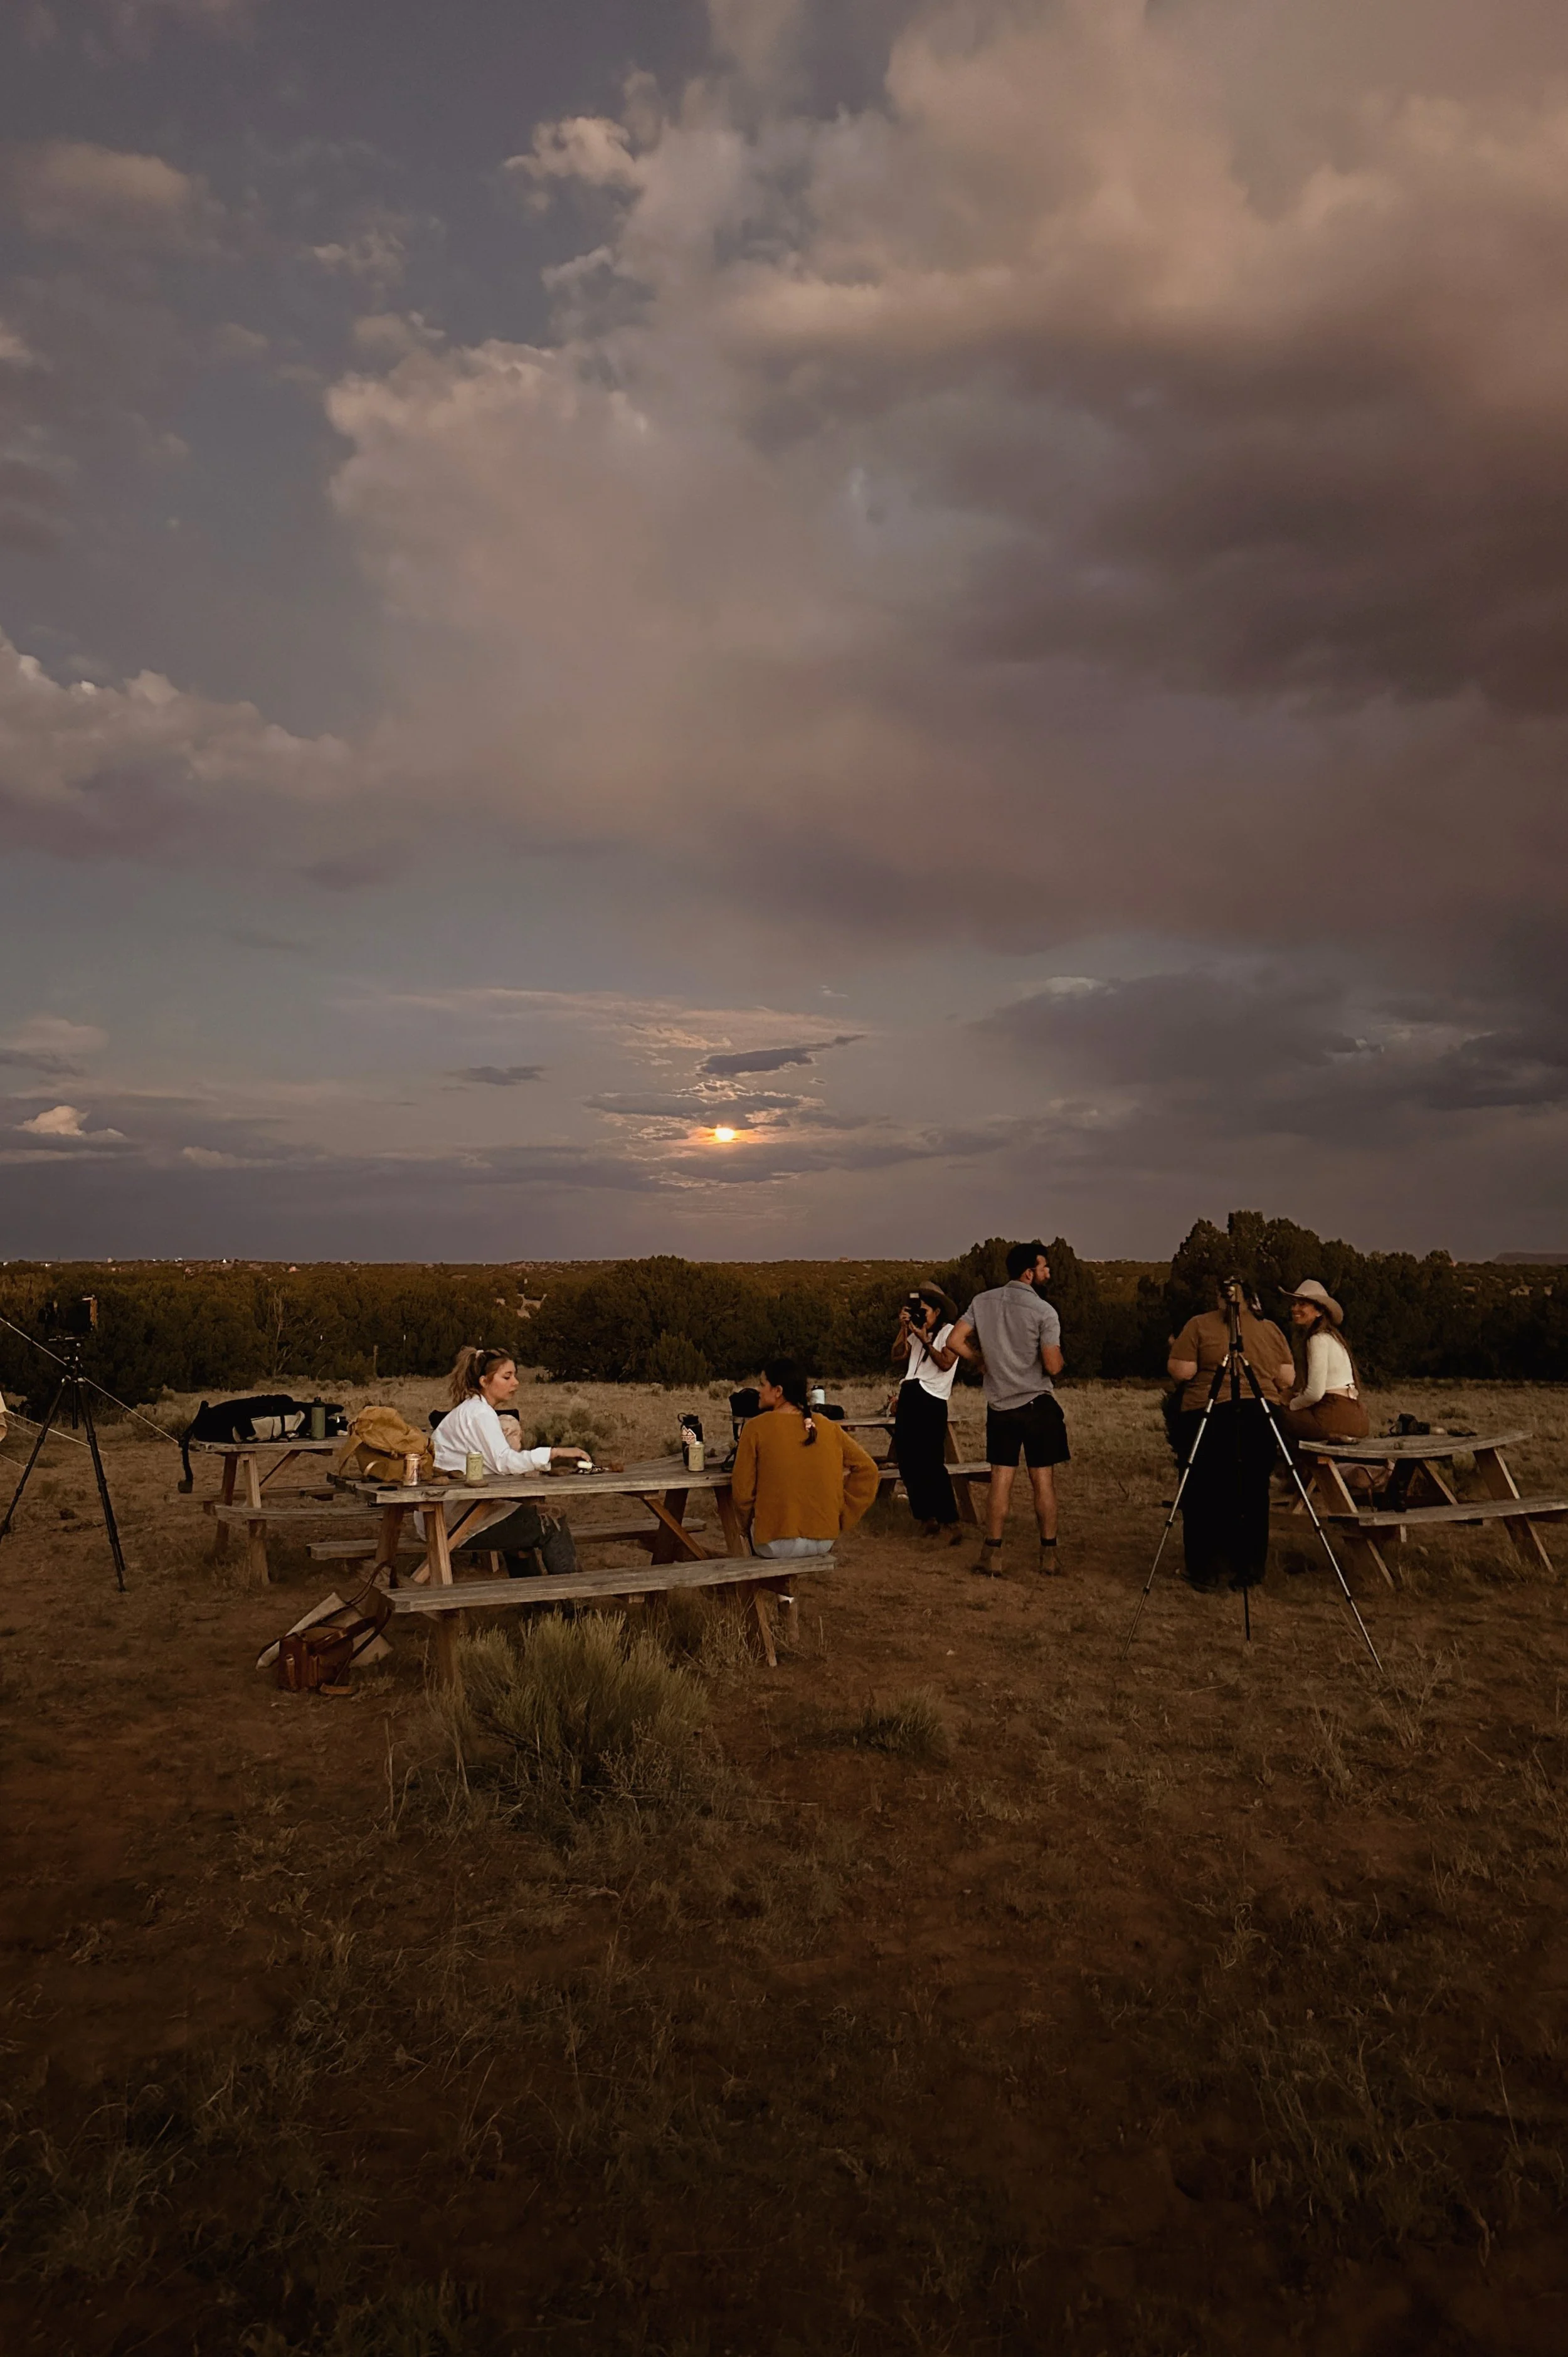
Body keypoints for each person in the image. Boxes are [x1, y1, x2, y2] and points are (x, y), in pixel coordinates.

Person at [1165, 1278, 1295, 1591]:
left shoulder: (1199, 1325)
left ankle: (1206, 1567)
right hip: (1260, 1414)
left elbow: (1181, 1371)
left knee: (1203, 1491)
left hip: (1210, 1413)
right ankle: (1249, 1568)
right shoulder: (1270, 1330)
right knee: (1252, 1491)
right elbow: (1286, 1377)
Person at [949, 1241, 1069, 1576]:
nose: (1049, 1272)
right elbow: (1052, 1364)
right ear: (1029, 1273)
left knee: (1000, 1480)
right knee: (1042, 1481)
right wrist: (1058, 1360)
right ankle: (1048, 1555)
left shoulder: (982, 1301)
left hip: (999, 1405)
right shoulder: (1045, 1312)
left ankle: (992, 1555)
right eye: (1044, 1267)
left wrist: (980, 1361)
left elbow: (954, 1342)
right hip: (1037, 1405)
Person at [432, 1345, 589, 1576]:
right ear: (485, 1381)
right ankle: (574, 1604)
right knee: (551, 1520)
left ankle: (535, 1604)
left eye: (514, 1376)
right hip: (454, 1520)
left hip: (451, 1513)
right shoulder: (479, 1414)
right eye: (507, 1377)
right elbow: (504, 1462)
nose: (515, 1383)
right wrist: (555, 1453)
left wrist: (545, 1462)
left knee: (524, 1518)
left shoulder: (472, 1410)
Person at [731, 1357, 880, 1558]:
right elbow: (868, 1469)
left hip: (774, 1542)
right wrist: (842, 1514)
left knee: (742, 1541)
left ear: (778, 1391)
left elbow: (742, 1492)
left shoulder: (755, 1428)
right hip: (824, 1540)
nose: (759, 1390)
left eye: (762, 1384)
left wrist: (746, 1524)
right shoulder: (827, 1426)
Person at [891, 1284, 963, 1541]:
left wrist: (925, 1340)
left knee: (931, 1462)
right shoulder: (916, 1331)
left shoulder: (949, 1332)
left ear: (938, 1311)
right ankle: (926, 1517)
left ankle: (950, 1520)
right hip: (910, 1393)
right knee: (908, 1461)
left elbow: (945, 1363)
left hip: (931, 1398)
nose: (921, 1316)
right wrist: (904, 1328)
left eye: (924, 1311)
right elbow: (897, 1355)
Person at [1278, 1281, 1370, 1449]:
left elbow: (1315, 1394)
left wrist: (1291, 1404)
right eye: (1295, 1304)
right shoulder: (1333, 1339)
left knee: (1275, 1413)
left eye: (1302, 1304)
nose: (1295, 1308)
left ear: (1319, 1311)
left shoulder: (1317, 1339)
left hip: (1335, 1416)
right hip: (1357, 1417)